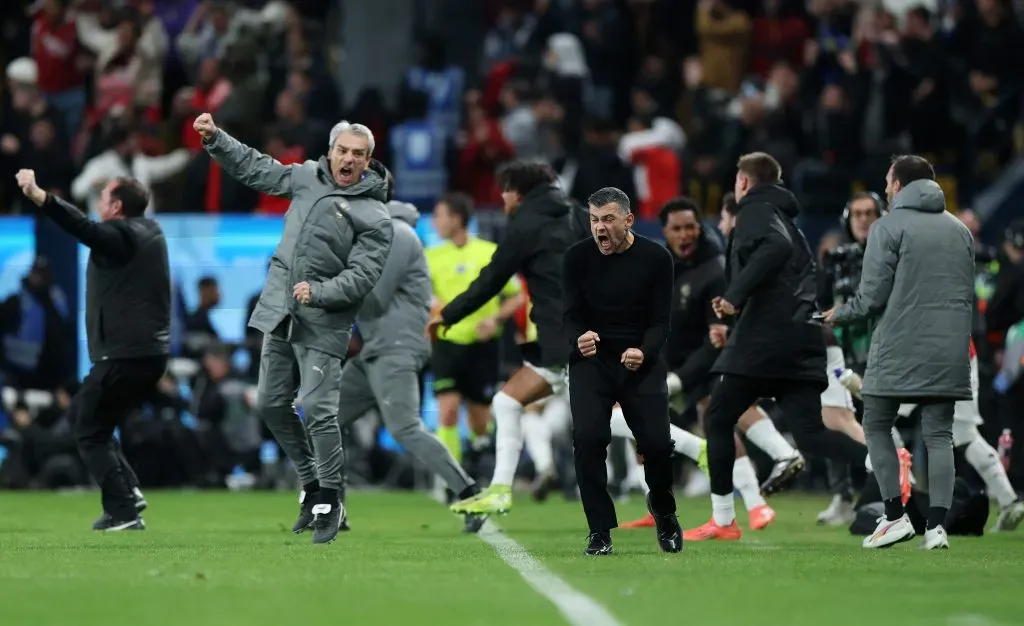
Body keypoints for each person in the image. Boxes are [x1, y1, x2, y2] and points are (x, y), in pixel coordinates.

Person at [194, 113, 393, 545]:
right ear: (331, 151)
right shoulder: (305, 177)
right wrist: (216, 138)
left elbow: (363, 276)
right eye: (343, 150)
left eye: (358, 154)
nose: (348, 159)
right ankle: (312, 484)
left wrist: (319, 292)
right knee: (268, 403)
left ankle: (331, 499)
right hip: (280, 311)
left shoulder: (376, 216)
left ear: (368, 161)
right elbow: (256, 168)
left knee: (319, 411)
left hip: (325, 322)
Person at [692, 152, 872, 540]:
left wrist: (734, 297)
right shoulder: (789, 221)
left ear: (743, 182)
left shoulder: (756, 211)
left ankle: (723, 520)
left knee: (719, 417)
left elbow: (772, 250)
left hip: (766, 342)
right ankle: (882, 463)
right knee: (810, 434)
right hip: (800, 339)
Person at [826, 155, 975, 550]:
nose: (888, 189)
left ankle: (894, 517)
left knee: (875, 421)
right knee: (939, 433)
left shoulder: (887, 226)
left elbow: (871, 297)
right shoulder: (960, 230)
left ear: (898, 185)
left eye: (889, 183)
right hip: (951, 347)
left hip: (899, 344)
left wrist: (838, 314)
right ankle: (937, 528)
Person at [15, 169, 168, 531]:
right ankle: (127, 490)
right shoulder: (151, 233)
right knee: (97, 423)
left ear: (116, 207)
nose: (98, 205)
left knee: (85, 423)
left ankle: (123, 510)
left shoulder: (121, 233)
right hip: (148, 355)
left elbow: (83, 227)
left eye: (103, 199)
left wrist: (40, 196)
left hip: (124, 355)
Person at [436, 161, 583, 517]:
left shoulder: (524, 226)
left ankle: (692, 448)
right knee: (507, 403)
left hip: (562, 339)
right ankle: (500, 489)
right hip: (590, 332)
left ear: (518, 192)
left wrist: (448, 314)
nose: (501, 197)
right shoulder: (578, 216)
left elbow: (492, 280)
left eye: (505, 189)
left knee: (612, 418)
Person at [335, 197, 486, 533]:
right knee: (323, 415)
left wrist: (332, 285)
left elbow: (374, 300)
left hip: (397, 348)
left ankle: (469, 493)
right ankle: (331, 505)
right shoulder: (376, 236)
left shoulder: (398, 234)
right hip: (375, 350)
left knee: (404, 427)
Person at [562, 186, 682, 555]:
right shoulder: (575, 258)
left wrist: (643, 352)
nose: (600, 228)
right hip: (592, 362)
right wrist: (578, 338)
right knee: (589, 439)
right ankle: (600, 531)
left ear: (628, 220)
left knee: (658, 446)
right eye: (595, 220)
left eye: (608, 219)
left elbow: (661, 321)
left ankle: (663, 511)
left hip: (639, 362)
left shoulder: (657, 258)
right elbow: (568, 316)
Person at [425, 192, 525, 480]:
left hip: (482, 345)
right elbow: (422, 295)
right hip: (446, 343)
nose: (435, 222)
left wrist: (495, 318)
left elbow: (516, 296)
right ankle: (451, 479)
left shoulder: (489, 252)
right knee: (448, 410)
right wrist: (432, 307)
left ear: (457, 219)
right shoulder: (430, 256)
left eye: (440, 215)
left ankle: (479, 457)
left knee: (480, 420)